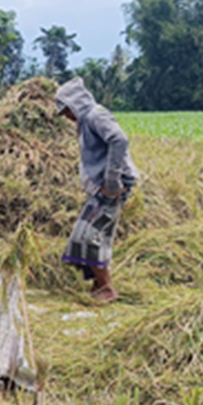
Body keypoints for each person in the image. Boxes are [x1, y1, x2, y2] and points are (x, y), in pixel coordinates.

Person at [56, 77, 139, 303]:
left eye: (67, 111)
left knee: (90, 236)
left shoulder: (95, 115)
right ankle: (98, 285)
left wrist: (112, 181)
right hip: (102, 187)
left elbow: (119, 140)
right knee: (83, 235)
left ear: (76, 103)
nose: (67, 117)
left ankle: (107, 288)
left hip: (114, 186)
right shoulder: (85, 122)